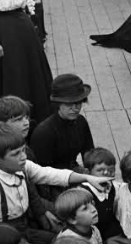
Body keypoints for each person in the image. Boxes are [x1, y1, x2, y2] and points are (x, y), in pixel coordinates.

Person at [0, 123, 110, 244]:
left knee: (61, 241)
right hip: (6, 243)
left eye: (23, 150)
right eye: (16, 153)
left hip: (25, 229)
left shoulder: (23, 168)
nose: (23, 156)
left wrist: (88, 178)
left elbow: (50, 174)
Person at [0, 95, 61, 230]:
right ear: (1, 125)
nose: (26, 123)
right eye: (18, 120)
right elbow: (30, 192)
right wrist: (43, 212)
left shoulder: (21, 148)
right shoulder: (6, 161)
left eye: (26, 117)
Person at [30, 74, 95, 204]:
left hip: (74, 170)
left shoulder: (81, 122)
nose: (75, 108)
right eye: (69, 103)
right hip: (51, 182)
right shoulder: (44, 133)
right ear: (58, 104)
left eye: (79, 102)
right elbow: (41, 174)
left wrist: (95, 174)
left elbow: (89, 154)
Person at [79, 147, 123, 244]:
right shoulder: (84, 192)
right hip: (92, 234)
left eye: (111, 170)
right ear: (87, 172)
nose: (107, 173)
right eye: (100, 170)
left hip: (110, 231)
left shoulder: (112, 186)